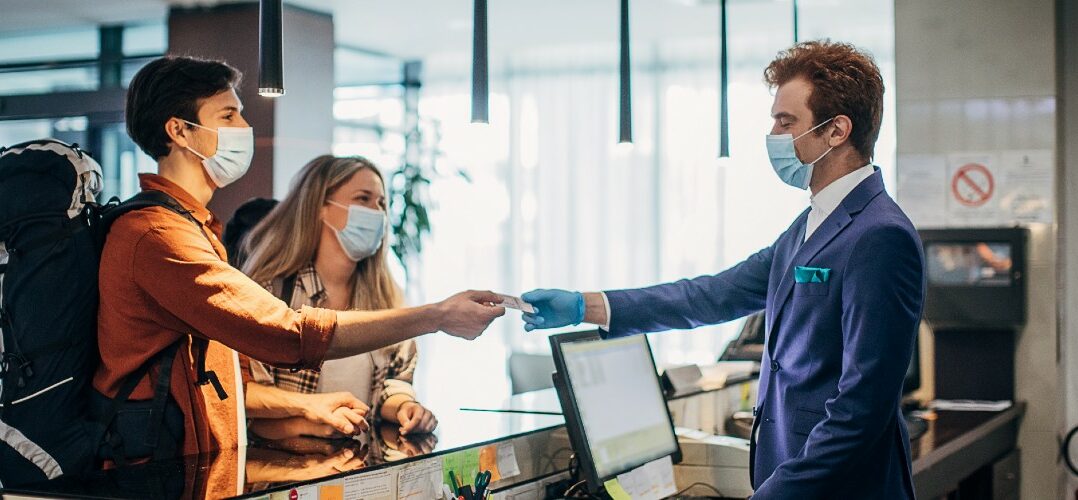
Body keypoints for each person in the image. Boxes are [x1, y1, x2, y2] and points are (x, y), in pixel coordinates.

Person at [522, 40, 925, 499]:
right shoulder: (809, 225)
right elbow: (710, 296)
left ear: (836, 131)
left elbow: (861, 408)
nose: (772, 133)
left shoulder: (879, 235)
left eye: (785, 121)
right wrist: (584, 306)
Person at [94, 55, 504, 462]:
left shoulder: (192, 228)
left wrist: (307, 407)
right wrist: (436, 315)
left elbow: (225, 382)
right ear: (179, 130)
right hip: (149, 470)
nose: (245, 127)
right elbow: (285, 334)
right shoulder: (157, 236)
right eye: (229, 115)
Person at [241, 155, 437, 439]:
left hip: (360, 472)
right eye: (363, 199)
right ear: (321, 207)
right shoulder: (272, 295)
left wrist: (405, 407)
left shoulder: (387, 298)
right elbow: (249, 400)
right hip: (291, 473)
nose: (376, 212)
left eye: (381, 203)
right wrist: (312, 423)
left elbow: (390, 384)